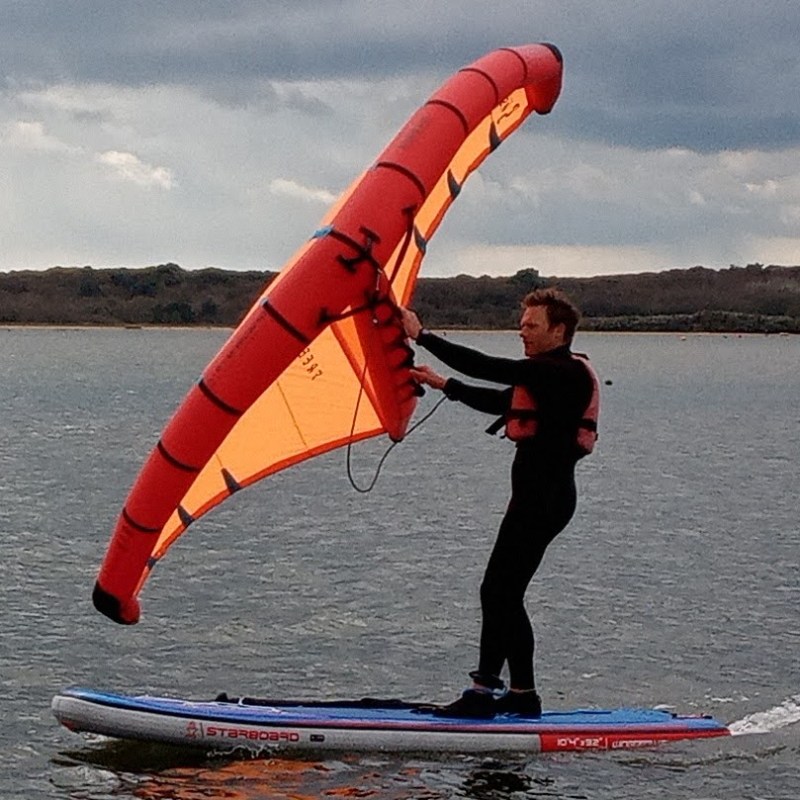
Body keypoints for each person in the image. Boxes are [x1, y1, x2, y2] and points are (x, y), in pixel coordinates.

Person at [400, 287, 600, 718]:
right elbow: (501, 401)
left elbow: (489, 368)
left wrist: (423, 336)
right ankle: (522, 694)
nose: (522, 332)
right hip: (538, 499)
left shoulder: (561, 373)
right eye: (521, 324)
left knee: (498, 592)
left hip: (543, 501)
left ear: (558, 331)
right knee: (505, 593)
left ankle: (483, 692)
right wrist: (442, 385)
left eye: (531, 325)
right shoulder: (546, 375)